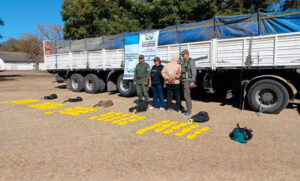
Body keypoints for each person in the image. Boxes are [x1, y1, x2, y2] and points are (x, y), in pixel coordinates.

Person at [180, 49, 196, 117]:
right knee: (185, 96)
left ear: (186, 54)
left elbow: (194, 72)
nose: (182, 56)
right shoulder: (184, 62)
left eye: (183, 55)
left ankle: (189, 111)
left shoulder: (191, 61)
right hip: (183, 80)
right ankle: (188, 110)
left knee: (187, 96)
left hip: (188, 80)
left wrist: (192, 81)